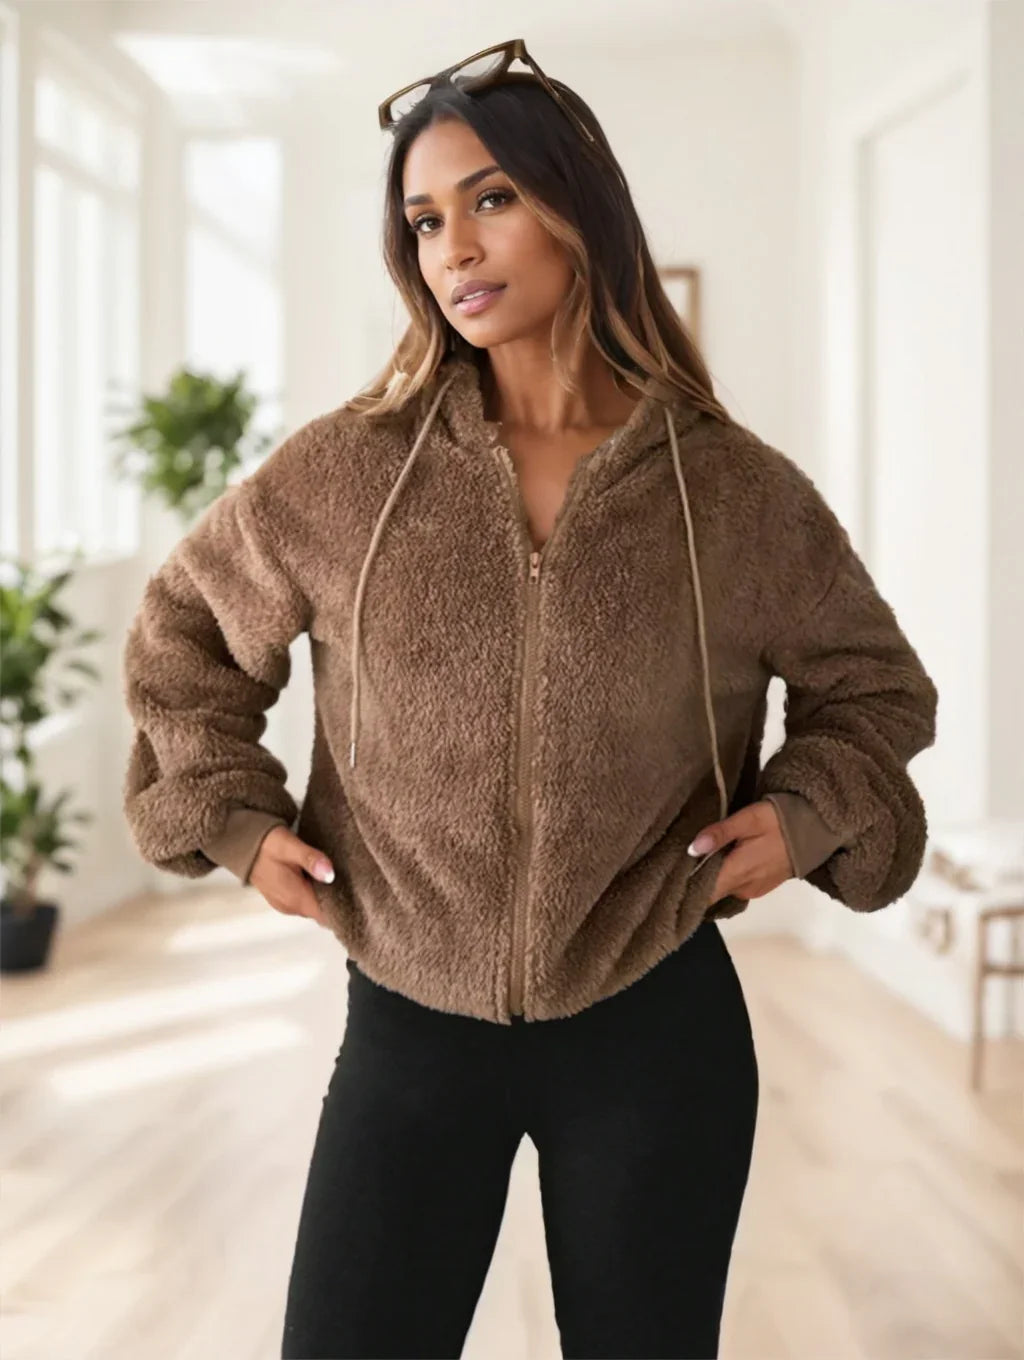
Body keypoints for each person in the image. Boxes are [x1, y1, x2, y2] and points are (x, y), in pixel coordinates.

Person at [121, 39, 939, 1360]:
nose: (455, 246)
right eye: (425, 219)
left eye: (491, 198)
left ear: (582, 206)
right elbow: (184, 642)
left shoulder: (732, 492)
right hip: (407, 1032)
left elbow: (874, 693)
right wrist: (230, 818)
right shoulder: (346, 474)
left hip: (656, 1030)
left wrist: (808, 815)